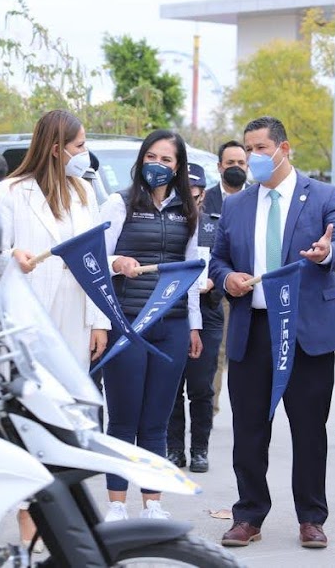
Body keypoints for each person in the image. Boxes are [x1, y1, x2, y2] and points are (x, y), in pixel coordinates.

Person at [210, 116, 335, 549]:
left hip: (305, 332)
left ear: (283, 148)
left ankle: (311, 517)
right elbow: (217, 260)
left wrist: (328, 252)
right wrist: (226, 278)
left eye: (259, 148)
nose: (252, 156)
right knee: (249, 430)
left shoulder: (323, 195)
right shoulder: (237, 204)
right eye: (248, 148)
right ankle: (249, 515)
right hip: (253, 332)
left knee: (309, 429)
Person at [0, 108, 110, 548]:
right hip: (30, 323)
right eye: (78, 146)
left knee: (66, 420)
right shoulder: (11, 191)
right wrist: (11, 256)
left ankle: (66, 527)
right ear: (55, 148)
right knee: (32, 421)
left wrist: (100, 321)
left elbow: (95, 261)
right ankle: (27, 535)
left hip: (75, 319)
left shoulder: (84, 192)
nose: (84, 154)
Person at [98, 130, 202, 521]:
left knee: (157, 420)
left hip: (171, 326)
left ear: (178, 168)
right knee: (124, 418)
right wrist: (117, 262)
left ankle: (153, 503)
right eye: (152, 156)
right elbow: (96, 259)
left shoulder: (188, 211)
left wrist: (193, 325)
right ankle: (116, 503)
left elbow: (192, 272)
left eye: (167, 160)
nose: (158, 165)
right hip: (125, 325)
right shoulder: (118, 203)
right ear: (141, 159)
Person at [168, 163, 223, 474]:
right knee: (172, 384)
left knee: (201, 386)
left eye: (195, 190)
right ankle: (174, 448)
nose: (190, 196)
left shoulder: (215, 225)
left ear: (203, 192)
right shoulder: (169, 222)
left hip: (208, 310)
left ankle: (199, 449)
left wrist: (215, 280)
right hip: (173, 310)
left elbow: (227, 262)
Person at [206, 141, 249, 417]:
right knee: (216, 352)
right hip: (213, 288)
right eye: (230, 163)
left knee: (241, 353)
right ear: (219, 166)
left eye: (241, 163)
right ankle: (209, 407)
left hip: (249, 289)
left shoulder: (258, 200)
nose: (236, 168)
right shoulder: (203, 200)